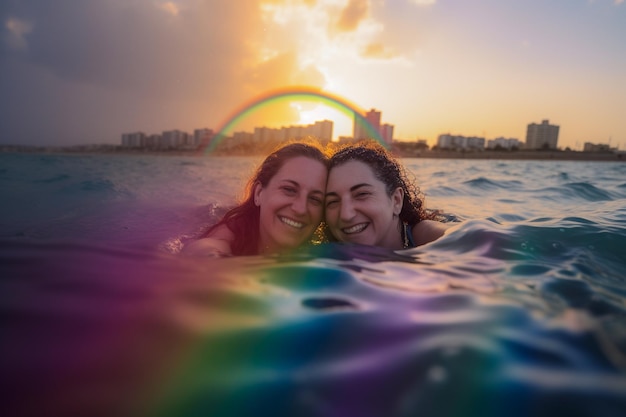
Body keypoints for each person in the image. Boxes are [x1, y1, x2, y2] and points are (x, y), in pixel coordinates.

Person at [183, 141, 329, 257]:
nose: (301, 209)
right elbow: (203, 250)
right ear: (258, 193)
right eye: (289, 190)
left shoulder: (322, 248)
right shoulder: (229, 238)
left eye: (315, 199)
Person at [324, 141, 447, 249]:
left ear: (396, 200)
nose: (346, 215)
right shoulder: (327, 257)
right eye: (333, 202)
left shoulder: (427, 238)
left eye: (361, 194)